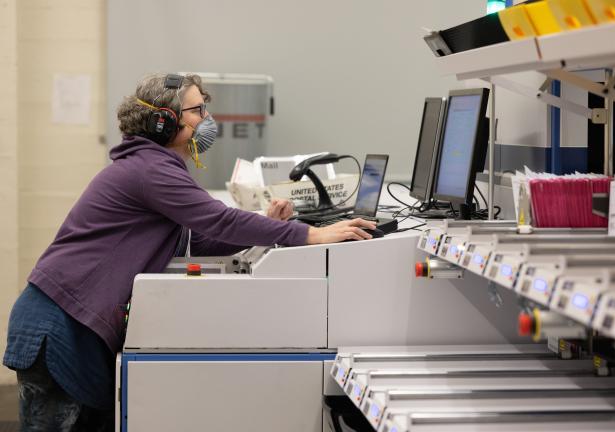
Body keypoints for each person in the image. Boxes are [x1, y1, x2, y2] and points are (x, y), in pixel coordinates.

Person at [3, 72, 376, 431]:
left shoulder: (155, 167)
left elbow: (200, 240)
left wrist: (269, 229)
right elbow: (220, 221)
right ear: (164, 121)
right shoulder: (150, 170)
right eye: (197, 111)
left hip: (69, 321)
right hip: (58, 325)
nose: (207, 120)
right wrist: (309, 234)